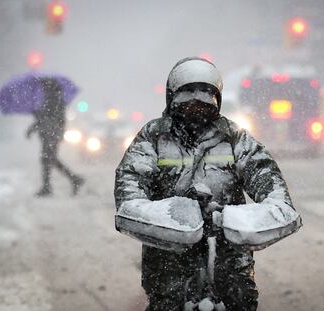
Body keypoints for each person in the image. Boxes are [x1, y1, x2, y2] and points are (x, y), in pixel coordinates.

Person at [114, 57, 298, 310]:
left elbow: (262, 171)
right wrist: (141, 209)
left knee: (241, 296)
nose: (196, 103)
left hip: (228, 238)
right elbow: (131, 178)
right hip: (169, 238)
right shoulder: (154, 135)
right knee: (165, 299)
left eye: (205, 95)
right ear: (172, 97)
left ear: (217, 99)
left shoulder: (234, 136)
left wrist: (276, 203)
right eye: (187, 95)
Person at [26, 78, 84, 197]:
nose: (42, 89)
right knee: (50, 159)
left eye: (43, 87)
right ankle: (72, 180)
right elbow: (47, 118)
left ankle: (50, 186)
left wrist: (35, 119)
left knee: (47, 159)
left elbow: (45, 118)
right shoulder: (55, 99)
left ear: (48, 87)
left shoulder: (53, 100)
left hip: (50, 134)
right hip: (51, 134)